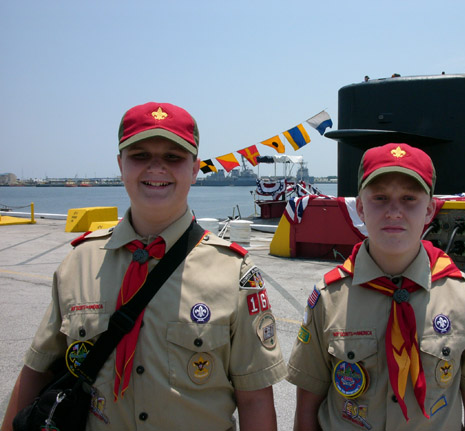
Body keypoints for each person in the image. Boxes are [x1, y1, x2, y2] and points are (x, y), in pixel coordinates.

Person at [2, 102, 287, 431]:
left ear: (195, 168)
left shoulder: (233, 271)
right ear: (120, 164)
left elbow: (254, 398)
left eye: (173, 157)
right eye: (139, 155)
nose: (156, 168)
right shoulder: (79, 263)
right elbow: (37, 370)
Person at [287, 143, 465, 430]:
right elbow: (307, 410)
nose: (394, 211)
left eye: (409, 198)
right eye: (380, 197)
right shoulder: (329, 299)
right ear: (361, 207)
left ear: (430, 209)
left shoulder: (462, 298)